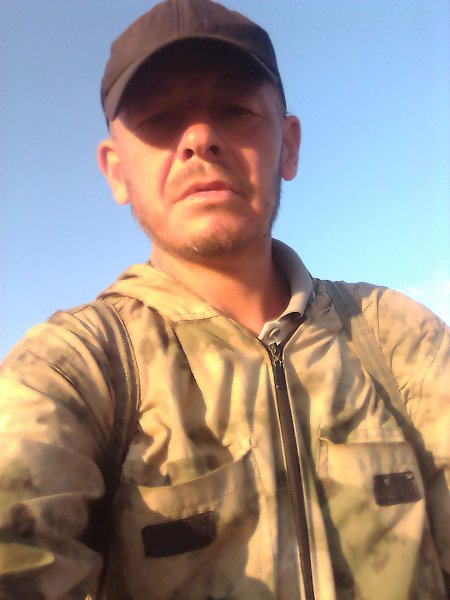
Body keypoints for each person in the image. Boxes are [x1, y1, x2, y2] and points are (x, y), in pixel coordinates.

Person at [0, 0, 448, 598]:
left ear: (288, 146)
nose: (200, 139)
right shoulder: (76, 368)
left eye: (235, 110)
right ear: (116, 171)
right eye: (160, 118)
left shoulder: (396, 337)